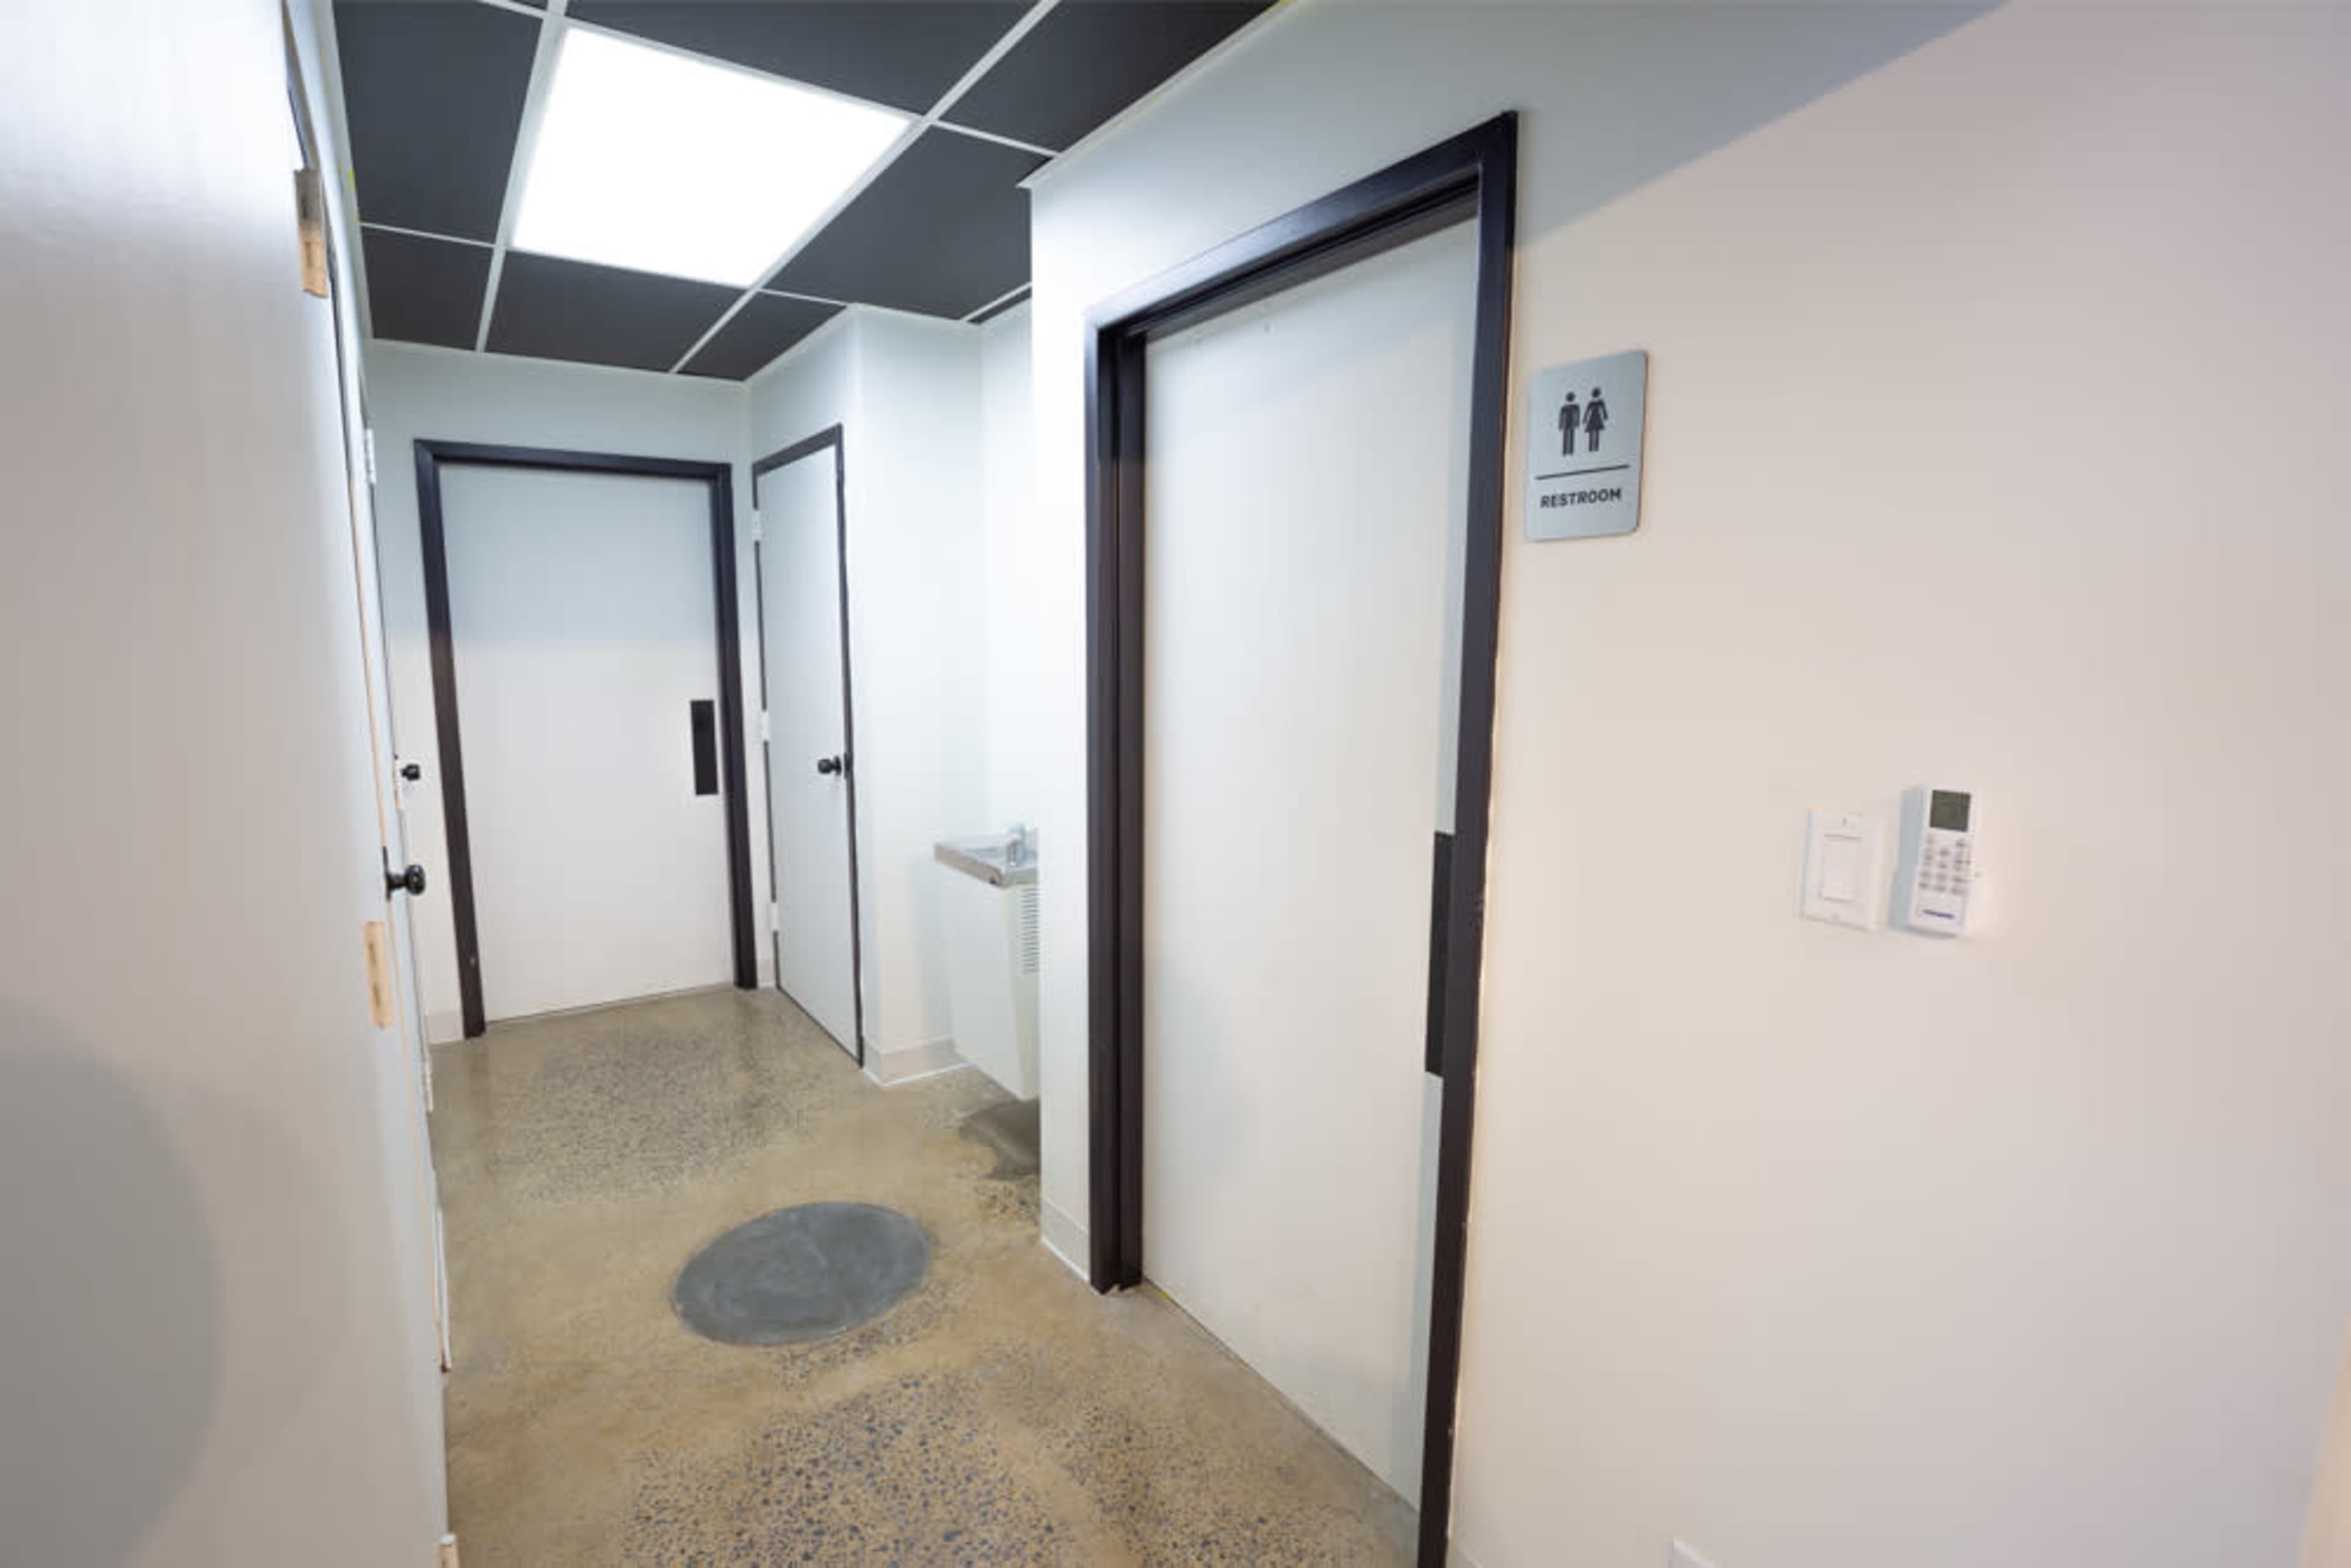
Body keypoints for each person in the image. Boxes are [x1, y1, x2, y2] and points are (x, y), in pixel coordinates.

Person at [1583, 387, 1610, 452]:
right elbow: (1587, 411)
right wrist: (1585, 419)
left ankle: (1595, 449)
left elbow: (1604, 410)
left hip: (1596, 419)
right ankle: (1591, 448)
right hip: (1594, 419)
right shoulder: (1592, 403)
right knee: (1593, 434)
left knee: (1596, 434)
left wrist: (1585, 419)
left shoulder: (1599, 402)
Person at [1557, 390, 1580, 456]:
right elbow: (1562, 417)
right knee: (1569, 437)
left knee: (1569, 437)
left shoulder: (1566, 408)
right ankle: (1568, 452)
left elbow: (1562, 417)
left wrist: (1561, 425)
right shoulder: (1573, 407)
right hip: (1569, 424)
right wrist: (1577, 423)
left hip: (1568, 424)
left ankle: (1568, 452)